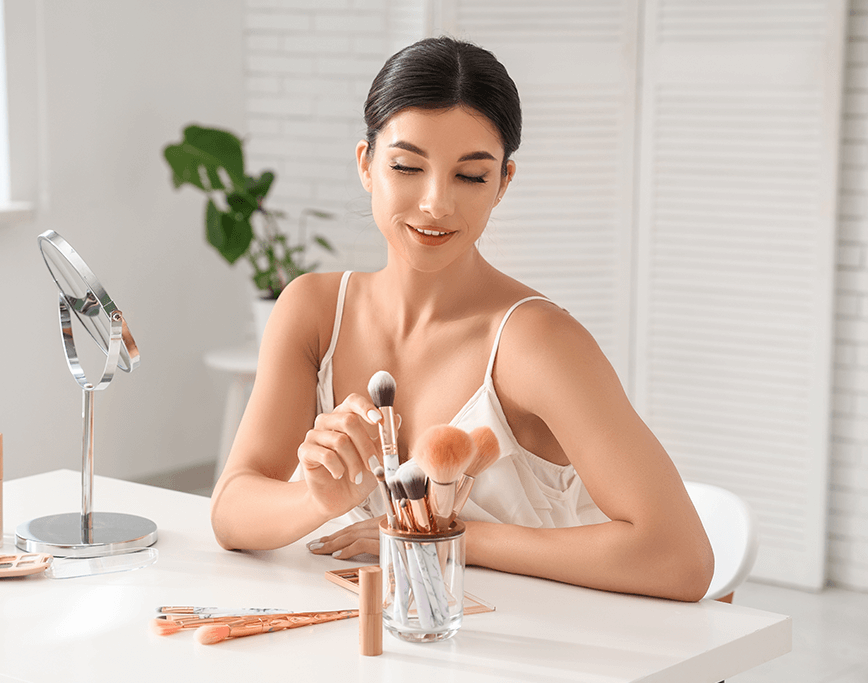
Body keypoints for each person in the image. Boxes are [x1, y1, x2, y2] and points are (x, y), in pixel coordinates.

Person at [210, 36, 713, 602]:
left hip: (535, 647)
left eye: (470, 177)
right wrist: (318, 501)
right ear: (366, 165)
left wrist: (439, 534)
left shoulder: (537, 342)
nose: (436, 203)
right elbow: (232, 509)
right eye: (406, 166)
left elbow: (679, 558)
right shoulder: (313, 311)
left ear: (502, 183)